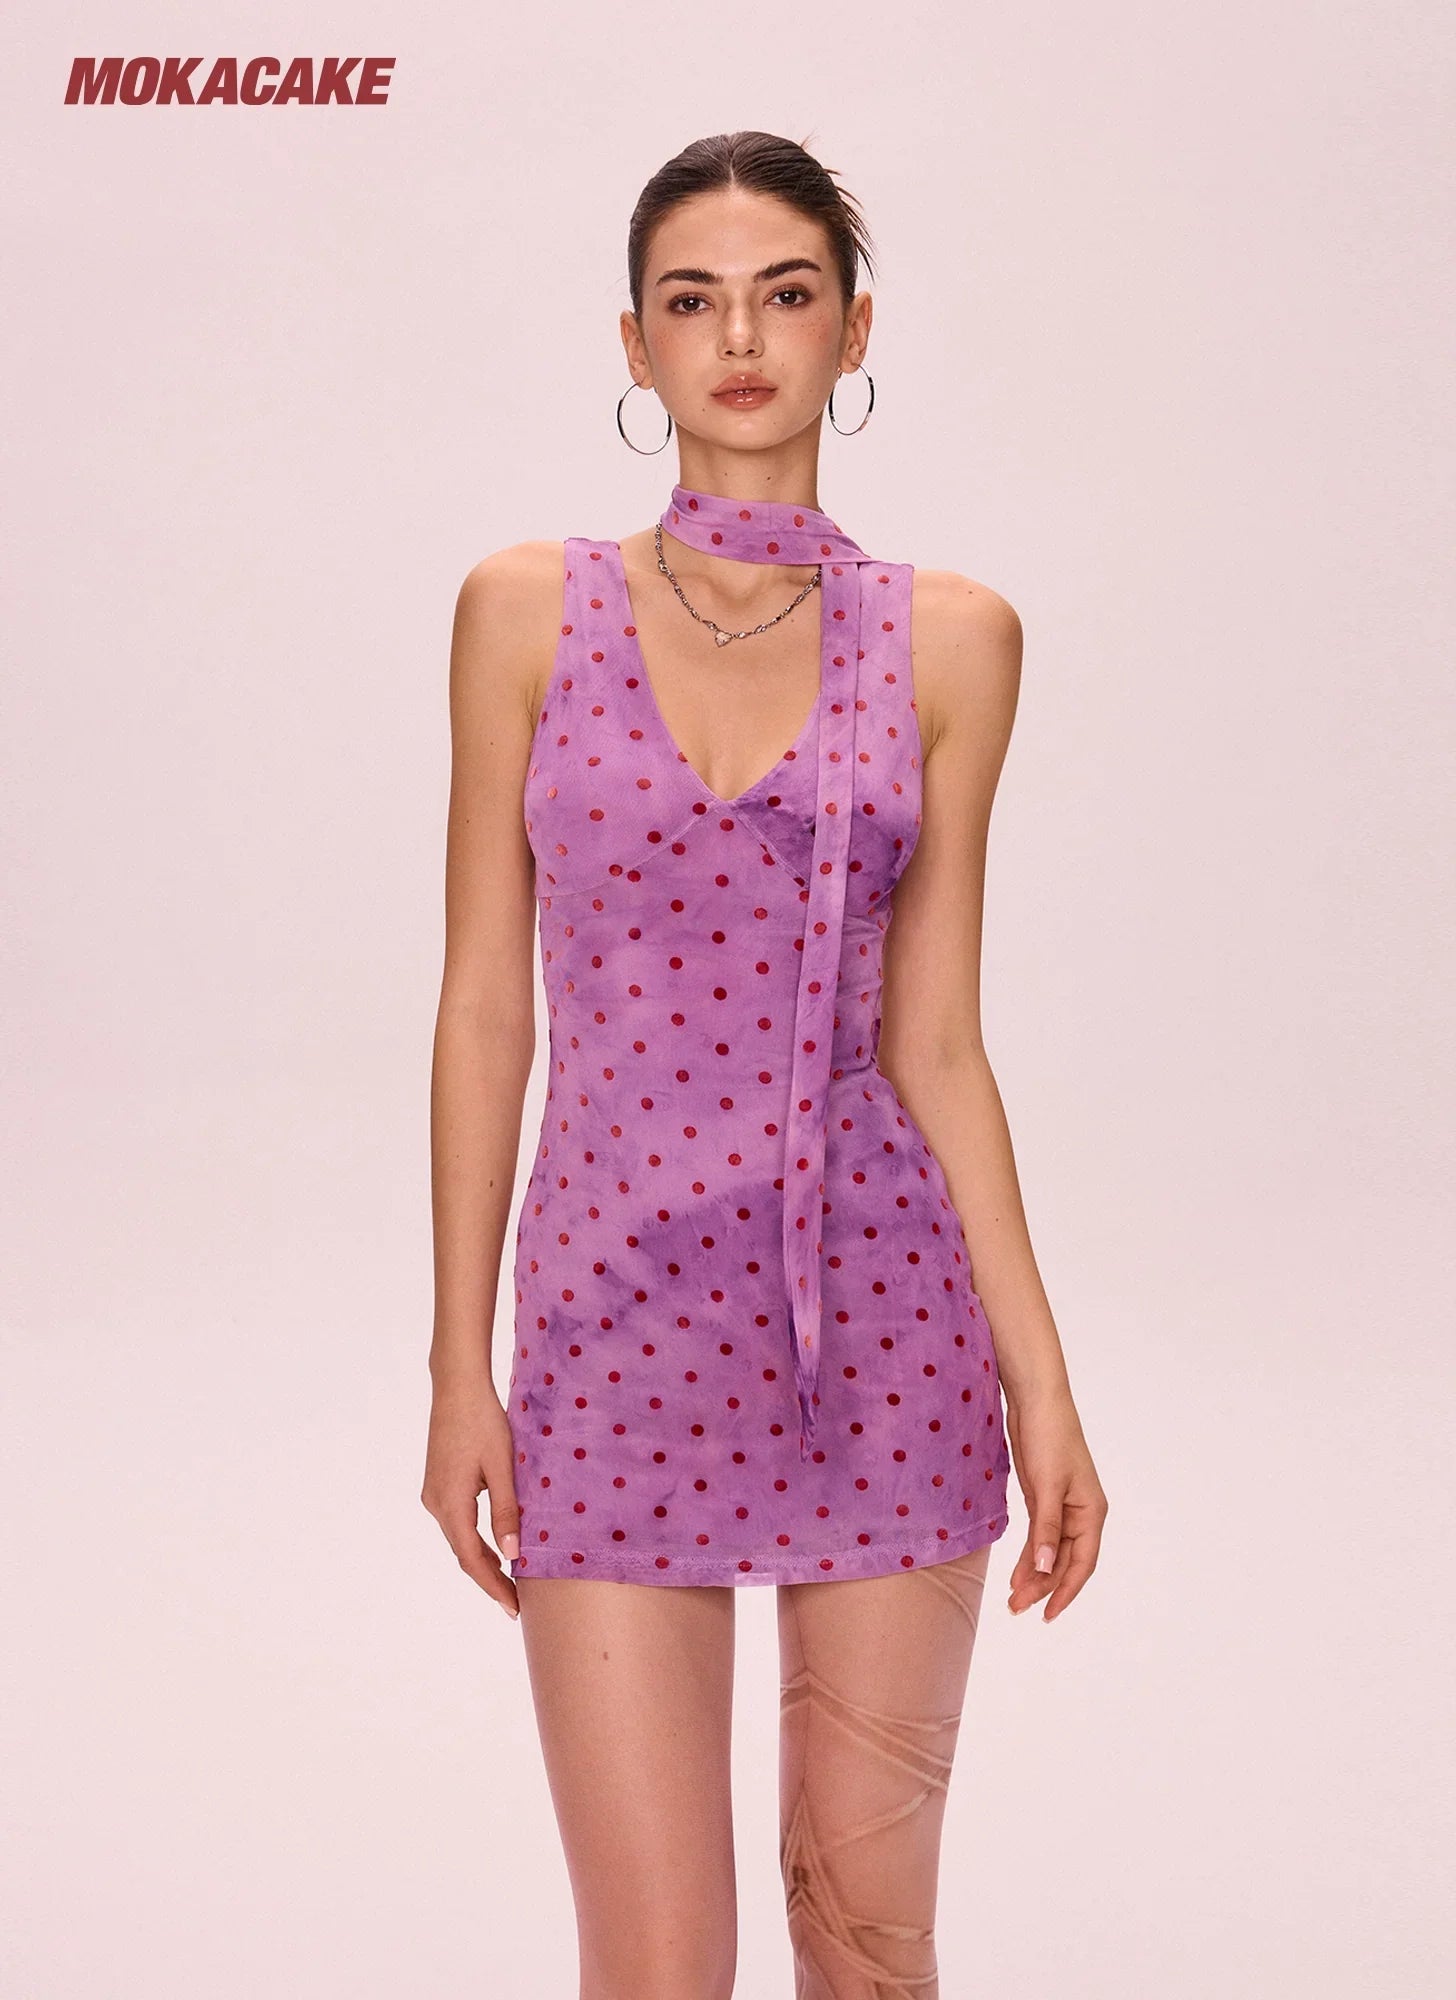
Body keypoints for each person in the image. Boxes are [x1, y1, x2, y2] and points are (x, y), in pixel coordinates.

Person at [424, 129, 1108, 1999]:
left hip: (885, 1329)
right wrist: (458, 1365)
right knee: (657, 1962)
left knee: (865, 1940)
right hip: (607, 1328)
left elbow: (939, 1042)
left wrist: (1044, 1383)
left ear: (853, 328)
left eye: (786, 294)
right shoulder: (524, 610)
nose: (740, 338)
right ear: (635, 346)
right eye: (693, 300)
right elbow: (485, 1007)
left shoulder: (953, 640)